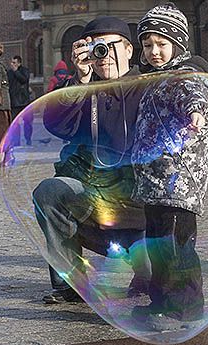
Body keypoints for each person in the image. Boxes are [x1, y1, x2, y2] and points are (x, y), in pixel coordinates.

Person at [33, 16, 151, 304]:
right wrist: (81, 79)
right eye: (97, 48)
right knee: (48, 191)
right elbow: (55, 124)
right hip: (93, 199)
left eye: (110, 47)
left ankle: (146, 269)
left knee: (153, 272)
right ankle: (70, 283)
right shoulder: (84, 90)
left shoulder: (148, 85)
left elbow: (193, 67)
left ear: (129, 50)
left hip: (141, 208)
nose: (103, 56)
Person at [129, 3, 208, 330]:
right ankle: (160, 303)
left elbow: (199, 92)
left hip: (177, 181)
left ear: (178, 44)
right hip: (155, 181)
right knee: (160, 247)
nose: (154, 51)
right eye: (147, 44)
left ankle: (184, 309)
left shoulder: (186, 71)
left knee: (176, 247)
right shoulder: (155, 76)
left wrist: (198, 112)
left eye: (161, 44)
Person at [7, 55, 32, 145]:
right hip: (14, 101)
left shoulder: (24, 71)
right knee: (15, 123)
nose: (12, 64)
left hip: (23, 100)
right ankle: (16, 141)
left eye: (14, 63)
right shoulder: (9, 73)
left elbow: (24, 79)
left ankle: (28, 139)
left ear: (19, 63)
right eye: (12, 62)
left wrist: (16, 71)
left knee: (27, 122)